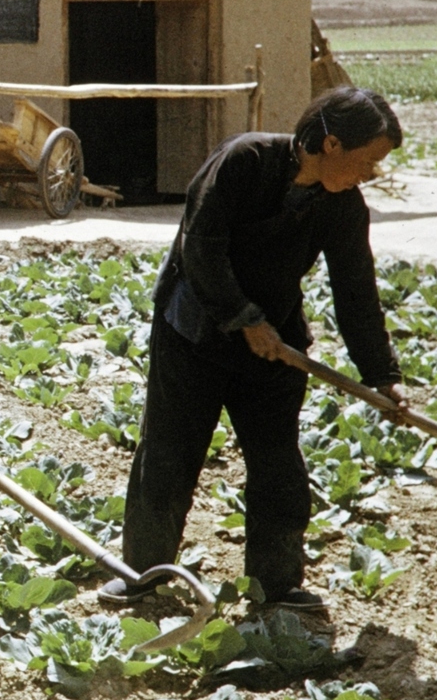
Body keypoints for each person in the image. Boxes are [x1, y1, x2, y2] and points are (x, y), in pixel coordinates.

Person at [105, 85, 407, 612]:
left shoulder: (342, 206)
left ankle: (277, 583)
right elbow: (200, 246)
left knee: (278, 462)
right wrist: (243, 319)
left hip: (275, 342)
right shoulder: (243, 161)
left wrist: (382, 375)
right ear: (332, 144)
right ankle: (142, 575)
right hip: (194, 329)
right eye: (368, 161)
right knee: (170, 454)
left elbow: (356, 290)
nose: (371, 174)